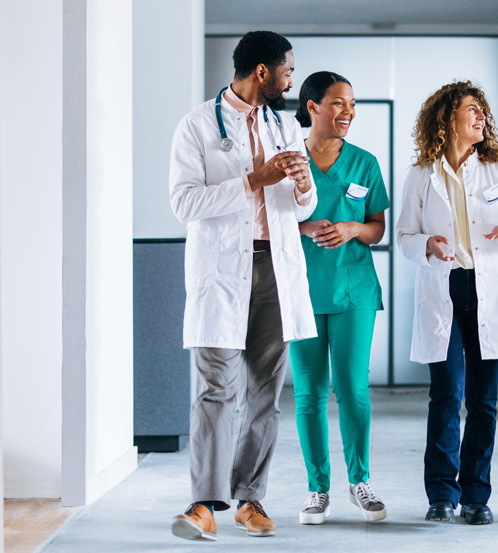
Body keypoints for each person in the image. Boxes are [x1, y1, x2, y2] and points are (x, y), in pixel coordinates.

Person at [168, 30, 318, 541]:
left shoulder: (285, 126)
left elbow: (303, 205)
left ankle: (249, 499)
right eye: (288, 71)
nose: (291, 80)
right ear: (262, 71)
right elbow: (184, 203)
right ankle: (203, 506)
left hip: (276, 269)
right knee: (216, 389)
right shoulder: (196, 125)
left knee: (264, 391)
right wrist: (255, 179)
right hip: (221, 273)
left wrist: (302, 185)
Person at [396, 81, 498, 525]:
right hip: (445, 289)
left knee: (483, 400)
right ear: (448, 117)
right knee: (446, 394)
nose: (481, 117)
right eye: (472, 109)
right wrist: (427, 245)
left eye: (482, 111)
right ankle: (441, 493)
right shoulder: (422, 175)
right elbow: (404, 236)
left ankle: (476, 495)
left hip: (488, 289)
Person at [289, 71, 390, 525]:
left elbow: (377, 228)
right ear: (312, 107)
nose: (348, 111)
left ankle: (360, 481)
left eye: (352, 104)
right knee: (309, 393)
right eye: (337, 103)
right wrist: (301, 227)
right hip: (302, 292)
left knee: (352, 389)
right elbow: (267, 220)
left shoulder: (365, 163)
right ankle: (317, 489)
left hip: (354, 291)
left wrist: (352, 229)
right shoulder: (289, 162)